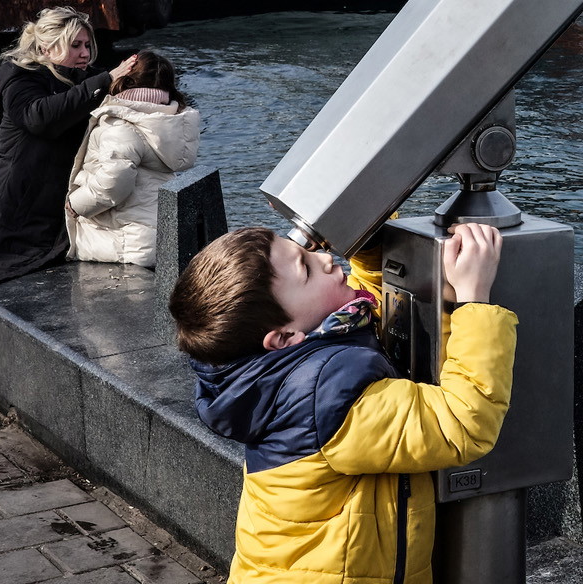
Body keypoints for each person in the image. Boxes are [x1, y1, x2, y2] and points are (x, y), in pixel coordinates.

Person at [169, 222, 516, 584]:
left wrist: (367, 245)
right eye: (305, 269)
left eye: (305, 250)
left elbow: (361, 308)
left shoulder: (275, 368)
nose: (324, 258)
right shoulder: (328, 398)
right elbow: (462, 423)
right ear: (284, 337)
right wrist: (473, 298)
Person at [0, 7, 137, 296]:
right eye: (75, 45)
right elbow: (39, 117)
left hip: (58, 194)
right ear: (46, 48)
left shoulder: (80, 77)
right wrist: (104, 81)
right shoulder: (19, 78)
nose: (85, 53)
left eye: (87, 45)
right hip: (22, 199)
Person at [64, 49, 201, 268]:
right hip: (157, 237)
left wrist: (75, 205)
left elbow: (112, 184)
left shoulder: (121, 124)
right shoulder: (167, 122)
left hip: (123, 241)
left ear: (125, 80)